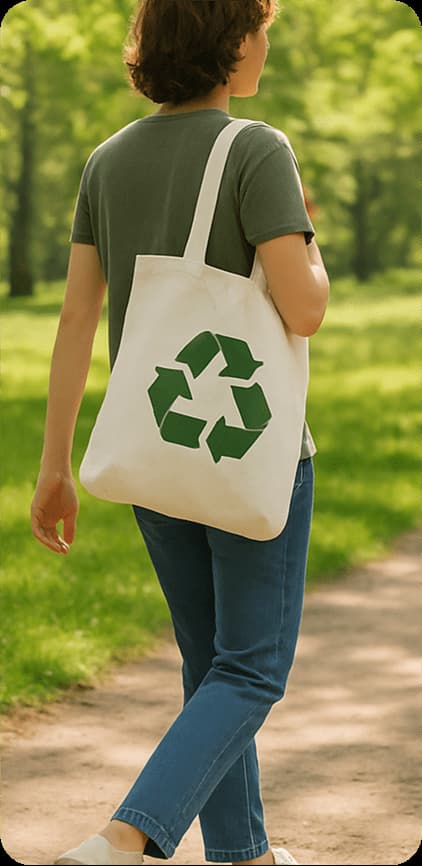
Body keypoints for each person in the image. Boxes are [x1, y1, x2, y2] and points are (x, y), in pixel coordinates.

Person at [30, 1, 330, 864]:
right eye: (261, 29)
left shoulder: (106, 160)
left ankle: (244, 855)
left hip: (154, 453)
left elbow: (76, 320)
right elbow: (303, 309)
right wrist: (312, 244)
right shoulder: (258, 149)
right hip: (250, 457)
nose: (266, 45)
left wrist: (56, 466)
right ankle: (128, 835)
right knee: (252, 670)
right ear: (232, 41)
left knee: (211, 667)